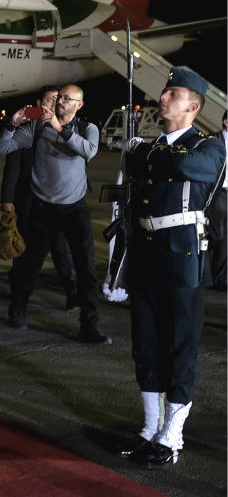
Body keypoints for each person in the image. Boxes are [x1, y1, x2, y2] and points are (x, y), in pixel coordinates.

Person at [118, 69, 226, 466]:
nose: (163, 97)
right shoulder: (154, 147)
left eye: (174, 93)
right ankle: (150, 428)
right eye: (165, 91)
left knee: (180, 346)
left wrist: (144, 153)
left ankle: (172, 437)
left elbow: (189, 168)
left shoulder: (209, 147)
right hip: (147, 252)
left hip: (183, 258)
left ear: (193, 106)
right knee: (145, 344)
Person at [0, 83, 110, 344]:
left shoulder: (87, 128)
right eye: (60, 97)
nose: (61, 101)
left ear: (79, 105)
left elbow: (89, 151)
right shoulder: (37, 127)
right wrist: (12, 124)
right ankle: (17, 310)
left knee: (86, 268)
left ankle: (89, 324)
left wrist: (60, 129)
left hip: (75, 208)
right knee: (30, 265)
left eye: (68, 98)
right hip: (42, 207)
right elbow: (2, 148)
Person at [0, 86, 78, 308]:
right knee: (23, 245)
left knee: (60, 247)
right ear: (39, 103)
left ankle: (72, 291)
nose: (55, 102)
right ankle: (18, 290)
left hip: (56, 199)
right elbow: (12, 165)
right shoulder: (27, 126)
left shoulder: (64, 126)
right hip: (29, 198)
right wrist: (7, 198)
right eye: (50, 99)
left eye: (58, 99)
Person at [204, 111, 227, 291]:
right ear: (226, 122)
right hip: (218, 193)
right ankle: (200, 267)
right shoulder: (214, 139)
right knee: (217, 235)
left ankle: (220, 280)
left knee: (226, 238)